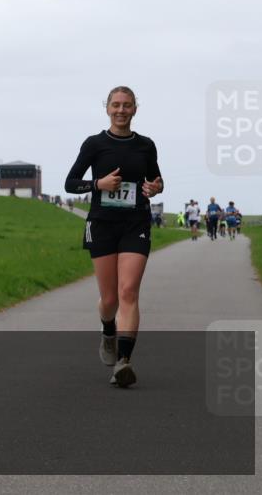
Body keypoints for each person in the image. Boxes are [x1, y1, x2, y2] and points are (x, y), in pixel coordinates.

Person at [64, 86, 163, 388]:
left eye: (127, 105)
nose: (121, 110)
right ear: (107, 108)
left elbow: (157, 180)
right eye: (116, 105)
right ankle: (108, 330)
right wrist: (99, 183)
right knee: (109, 300)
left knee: (128, 292)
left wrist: (155, 188)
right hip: (103, 224)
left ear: (135, 109)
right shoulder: (95, 144)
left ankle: (124, 361)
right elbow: (70, 184)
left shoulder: (146, 145)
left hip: (136, 222)